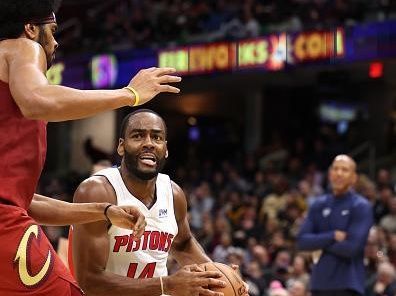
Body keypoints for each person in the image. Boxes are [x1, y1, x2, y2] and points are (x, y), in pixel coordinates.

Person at [0, 0, 181, 295]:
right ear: (31, 28)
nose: (56, 41)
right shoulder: (21, 47)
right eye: (53, 30)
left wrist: (104, 211)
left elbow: (21, 203)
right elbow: (37, 101)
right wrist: (129, 94)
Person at [71, 109, 249, 296]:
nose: (149, 143)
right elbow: (90, 281)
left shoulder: (173, 193)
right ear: (121, 146)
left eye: (157, 138)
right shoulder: (97, 191)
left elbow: (182, 244)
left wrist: (219, 278)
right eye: (138, 136)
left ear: (165, 149)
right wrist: (166, 285)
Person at [297, 155, 373, 296]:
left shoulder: (361, 206)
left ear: (354, 177)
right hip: (319, 283)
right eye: (335, 169)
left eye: (345, 170)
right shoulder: (318, 204)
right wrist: (332, 236)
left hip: (348, 284)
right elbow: (302, 241)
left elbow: (352, 248)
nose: (339, 173)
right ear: (330, 173)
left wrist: (318, 243)